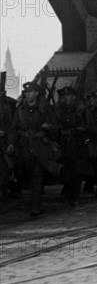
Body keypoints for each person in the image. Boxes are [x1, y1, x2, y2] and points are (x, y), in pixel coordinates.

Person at [8, 82, 62, 216]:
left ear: (36, 93)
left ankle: (35, 205)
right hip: (25, 146)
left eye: (31, 92)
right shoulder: (21, 109)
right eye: (26, 92)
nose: (28, 94)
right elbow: (13, 128)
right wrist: (11, 143)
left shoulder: (45, 109)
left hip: (40, 146)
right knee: (25, 174)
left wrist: (48, 127)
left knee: (37, 175)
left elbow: (56, 126)